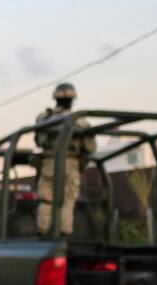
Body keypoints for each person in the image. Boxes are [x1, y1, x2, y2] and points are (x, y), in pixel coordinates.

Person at [34, 83, 96, 237]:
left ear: (55, 99)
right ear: (72, 100)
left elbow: (38, 140)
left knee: (46, 199)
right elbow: (89, 147)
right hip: (69, 163)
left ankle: (43, 231)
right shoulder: (79, 121)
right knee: (67, 199)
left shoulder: (44, 118)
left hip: (48, 163)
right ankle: (63, 235)